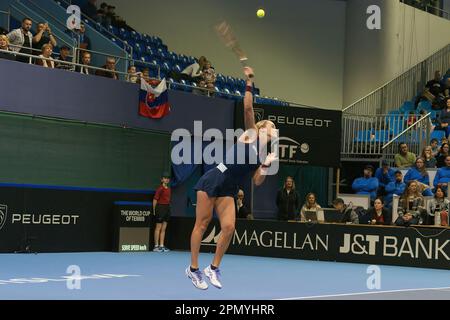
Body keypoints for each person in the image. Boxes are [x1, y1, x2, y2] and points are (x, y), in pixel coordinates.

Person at [186, 66, 278, 290]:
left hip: (230, 188)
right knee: (203, 224)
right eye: (273, 125)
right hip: (215, 178)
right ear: (262, 127)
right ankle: (193, 269)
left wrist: (266, 164)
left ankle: (213, 268)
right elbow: (247, 108)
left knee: (228, 228)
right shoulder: (252, 134)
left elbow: (257, 181)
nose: (276, 128)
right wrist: (248, 81)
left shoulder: (263, 154)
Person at [152, 173, 172, 253]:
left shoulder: (169, 189)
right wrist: (154, 210)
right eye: (165, 178)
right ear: (162, 180)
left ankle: (161, 245)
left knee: (164, 228)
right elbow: (155, 200)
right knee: (158, 228)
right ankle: (156, 246)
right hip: (160, 208)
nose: (167, 179)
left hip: (167, 208)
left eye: (168, 178)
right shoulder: (160, 189)